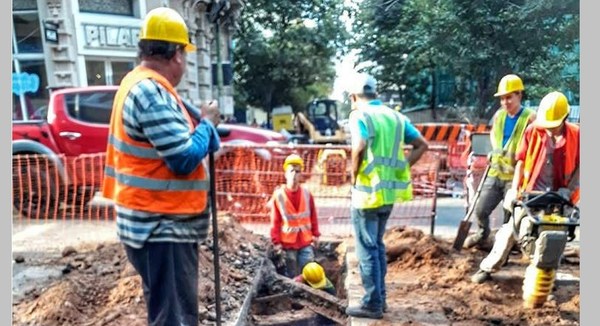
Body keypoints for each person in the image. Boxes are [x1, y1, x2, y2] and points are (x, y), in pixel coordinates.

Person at [101, 8, 220, 326]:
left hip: (155, 223)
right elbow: (183, 158)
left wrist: (202, 126)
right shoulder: (150, 93)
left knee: (171, 312)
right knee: (174, 318)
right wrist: (207, 124)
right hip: (161, 225)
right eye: (185, 54)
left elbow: (188, 144)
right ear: (177, 54)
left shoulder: (143, 85)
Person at [471, 91, 579, 284]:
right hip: (532, 192)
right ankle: (487, 268)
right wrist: (514, 189)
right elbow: (520, 161)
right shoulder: (532, 131)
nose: (549, 130)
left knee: (555, 238)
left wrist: (569, 190)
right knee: (509, 231)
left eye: (553, 126)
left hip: (561, 195)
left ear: (565, 118)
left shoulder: (577, 135)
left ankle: (545, 281)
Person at [345, 73, 428, 319]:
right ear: (376, 94)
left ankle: (372, 303)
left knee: (367, 248)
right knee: (378, 245)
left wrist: (353, 176)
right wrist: (401, 166)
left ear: (353, 97)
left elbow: (359, 145)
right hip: (389, 193)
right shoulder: (396, 117)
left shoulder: (359, 114)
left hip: (367, 193)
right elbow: (422, 145)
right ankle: (380, 300)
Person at [464, 74, 536, 249]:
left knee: (509, 213)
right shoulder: (499, 116)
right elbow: (495, 139)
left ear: (519, 95)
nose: (505, 102)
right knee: (481, 209)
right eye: (503, 98)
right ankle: (482, 235)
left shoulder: (530, 118)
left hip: (515, 176)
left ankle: (508, 246)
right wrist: (492, 154)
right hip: (495, 172)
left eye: (509, 97)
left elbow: (534, 147)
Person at [270, 153, 321, 278]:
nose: (294, 174)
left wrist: (316, 234)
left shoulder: (306, 194)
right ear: (286, 174)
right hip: (288, 243)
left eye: (297, 171)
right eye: (291, 171)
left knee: (308, 270)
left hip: (305, 241)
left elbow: (313, 216)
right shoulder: (279, 195)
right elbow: (275, 221)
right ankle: (294, 296)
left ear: (301, 175)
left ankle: (308, 294)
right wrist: (276, 242)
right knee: (291, 274)